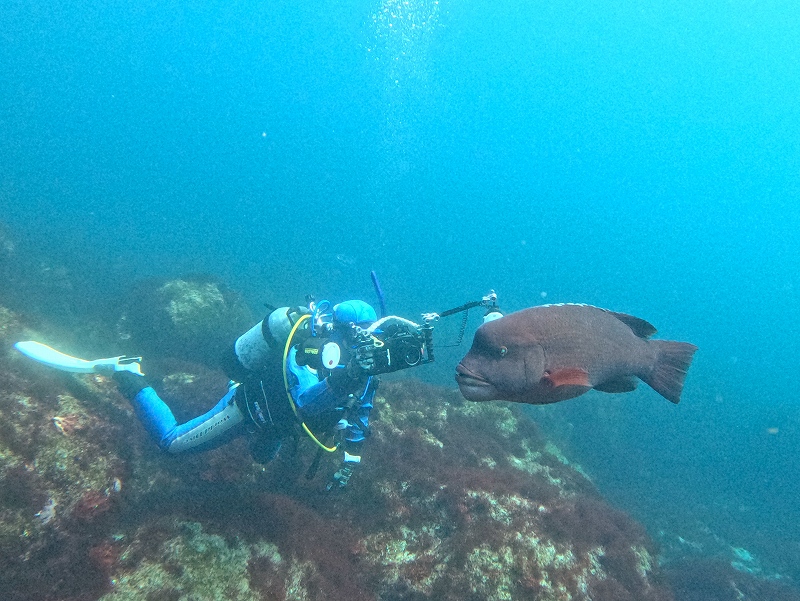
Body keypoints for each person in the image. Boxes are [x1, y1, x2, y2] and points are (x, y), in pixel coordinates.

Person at [112, 299, 379, 490]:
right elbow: (303, 402)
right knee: (171, 443)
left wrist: (352, 456)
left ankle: (234, 387)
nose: (365, 342)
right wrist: (345, 380)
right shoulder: (310, 352)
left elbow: (361, 411)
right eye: (359, 335)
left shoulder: (362, 370)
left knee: (261, 457)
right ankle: (130, 374)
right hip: (248, 409)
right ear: (342, 331)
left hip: (278, 424)